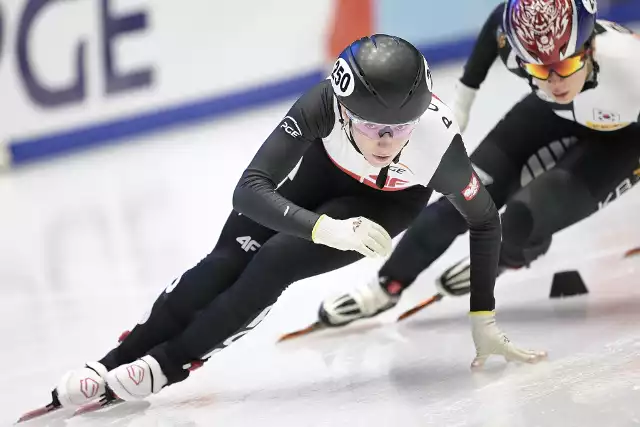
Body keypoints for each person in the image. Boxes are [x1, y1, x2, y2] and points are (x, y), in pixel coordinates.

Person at [27, 34, 545, 416]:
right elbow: (248, 190)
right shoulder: (321, 104)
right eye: (371, 126)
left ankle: (169, 364)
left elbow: (484, 224)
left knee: (274, 263)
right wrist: (321, 227)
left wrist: (483, 320)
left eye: (399, 128)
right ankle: (112, 360)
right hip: (319, 182)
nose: (387, 140)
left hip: (383, 209)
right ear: (343, 110)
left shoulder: (439, 150)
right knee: (221, 264)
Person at [315, 0, 640, 355]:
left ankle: (507, 258)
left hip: (625, 142)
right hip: (550, 113)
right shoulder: (520, 51)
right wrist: (464, 100)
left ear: (589, 47)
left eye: (566, 64)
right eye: (539, 68)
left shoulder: (630, 69)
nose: (555, 79)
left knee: (520, 220)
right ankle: (382, 288)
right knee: (457, 204)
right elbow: (496, 23)